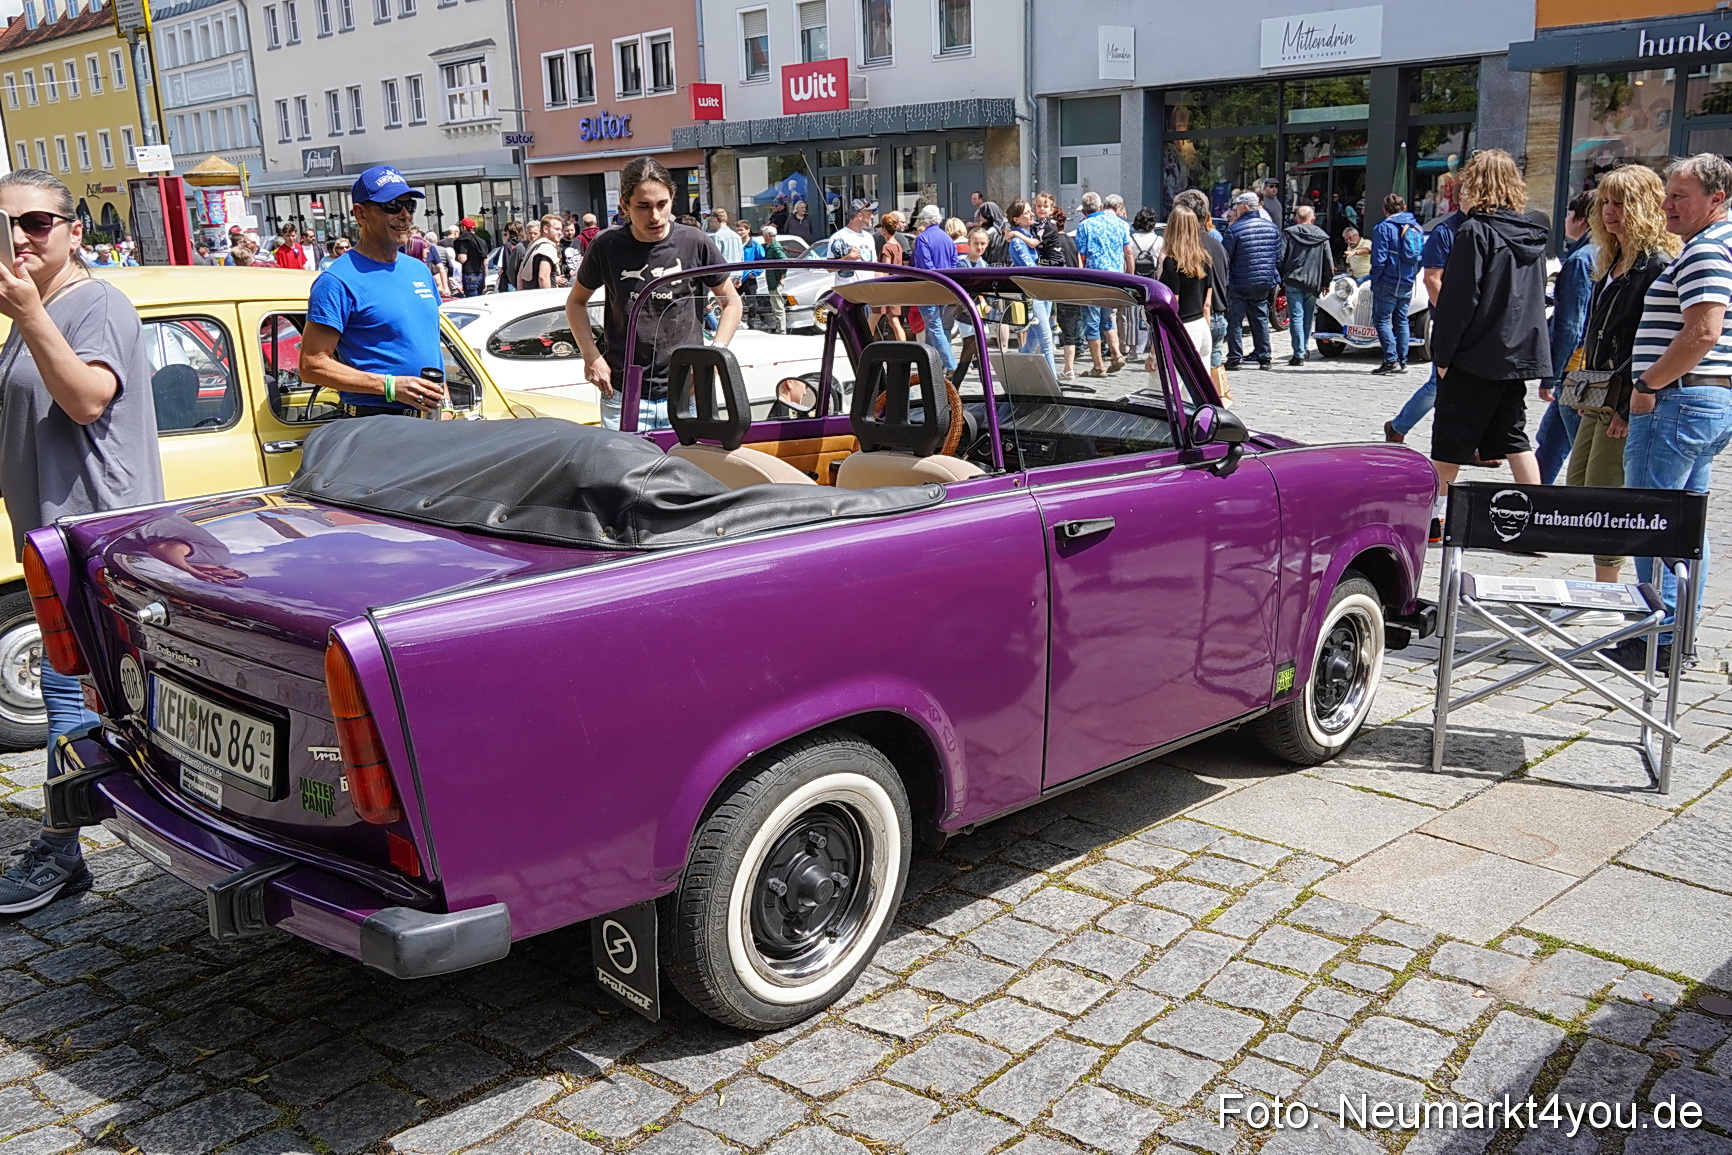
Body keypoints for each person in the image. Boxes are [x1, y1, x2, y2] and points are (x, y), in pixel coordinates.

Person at [0, 169, 163, 912]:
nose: (20, 238)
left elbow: (87, 397)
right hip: (49, 541)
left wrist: (31, 312)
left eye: (35, 222)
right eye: (5, 226)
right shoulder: (31, 309)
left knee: (72, 699)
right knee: (103, 701)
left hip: (94, 539)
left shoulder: (93, 302)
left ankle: (61, 851)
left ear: (72, 230)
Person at [1611, 153, 1732, 670]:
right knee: (1685, 524)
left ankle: (1658, 636)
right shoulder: (1714, 246)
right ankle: (1675, 635)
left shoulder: (1707, 251)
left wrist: (1646, 384)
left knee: (1655, 519)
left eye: (1680, 195)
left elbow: (1702, 333)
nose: (1668, 204)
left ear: (1716, 198)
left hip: (1677, 401)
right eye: (1668, 193)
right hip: (1700, 400)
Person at [568, 156, 741, 431]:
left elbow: (731, 301)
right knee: (625, 474)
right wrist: (591, 356)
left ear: (673, 198)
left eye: (662, 204)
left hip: (689, 392)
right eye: (643, 207)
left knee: (690, 474)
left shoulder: (694, 241)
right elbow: (576, 302)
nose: (655, 216)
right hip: (624, 393)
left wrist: (714, 356)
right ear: (624, 206)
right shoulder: (606, 245)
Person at [1428, 149, 1551, 533]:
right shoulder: (1534, 232)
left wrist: (1443, 353)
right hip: (1517, 353)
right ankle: (1537, 521)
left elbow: (1460, 300)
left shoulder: (1474, 231)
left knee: (1448, 444)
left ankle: (1434, 522)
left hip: (1474, 354)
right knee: (1516, 439)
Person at [1564, 166, 1677, 585]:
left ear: (1645, 206)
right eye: (1605, 203)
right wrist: (1583, 385)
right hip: (1599, 393)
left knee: (1605, 495)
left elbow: (1649, 341)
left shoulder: (1656, 266)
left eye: (1621, 203)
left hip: (1626, 399)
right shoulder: (1612, 257)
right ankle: (1596, 585)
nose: (1609, 212)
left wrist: (1627, 408)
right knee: (1580, 488)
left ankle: (1606, 592)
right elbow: (1597, 332)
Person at [301, 165, 447, 419]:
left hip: (428, 422)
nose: (405, 215)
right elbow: (311, 364)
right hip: (376, 424)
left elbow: (429, 344)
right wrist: (390, 386)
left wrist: (446, 404)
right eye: (392, 205)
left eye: (409, 206)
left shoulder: (419, 270)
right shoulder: (337, 280)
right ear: (361, 214)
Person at [1534, 192, 1597, 483]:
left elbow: (1570, 326)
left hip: (1575, 371)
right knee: (1550, 442)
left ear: (1579, 218)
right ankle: (1532, 502)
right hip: (1582, 368)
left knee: (1581, 448)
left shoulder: (1580, 260)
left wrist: (1552, 375)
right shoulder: (1600, 253)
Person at [1175, 189, 1233, 403]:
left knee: (1188, 386)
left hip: (1194, 318)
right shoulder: (1216, 243)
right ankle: (1218, 410)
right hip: (1216, 315)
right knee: (1212, 373)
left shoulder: (1186, 249)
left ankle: (1209, 414)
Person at [1073, 190, 1134, 377]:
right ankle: (1116, 354)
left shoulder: (1084, 226)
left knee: (1091, 321)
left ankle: (1098, 366)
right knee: (1108, 318)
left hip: (1093, 279)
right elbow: (1128, 252)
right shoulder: (1120, 224)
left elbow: (1080, 256)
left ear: (1084, 210)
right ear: (1100, 207)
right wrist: (1130, 277)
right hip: (1115, 279)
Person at [1221, 191, 1281, 371]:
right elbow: (1278, 257)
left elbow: (1226, 257)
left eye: (1237, 206)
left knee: (1235, 320)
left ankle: (1234, 357)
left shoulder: (1235, 229)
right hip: (1263, 282)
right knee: (1260, 318)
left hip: (1240, 282)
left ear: (1245, 207)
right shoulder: (1271, 228)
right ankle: (1264, 357)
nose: (1235, 209)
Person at [1369, 193, 1423, 374]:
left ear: (1385, 210)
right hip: (1407, 281)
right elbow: (1419, 258)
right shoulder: (1416, 227)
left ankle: (1390, 360)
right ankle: (1403, 360)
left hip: (1387, 280)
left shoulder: (1383, 228)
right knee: (1402, 321)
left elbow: (1379, 258)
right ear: (1404, 207)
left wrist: (1374, 279)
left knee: (1382, 320)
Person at [1157, 204, 1213, 364]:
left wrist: (1154, 353)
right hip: (1201, 326)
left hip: (1183, 328)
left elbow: (1170, 307)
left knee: (1175, 386)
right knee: (1200, 386)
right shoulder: (1205, 259)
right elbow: (1207, 304)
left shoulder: (1172, 262)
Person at [1280, 205, 1332, 366]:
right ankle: (1304, 348)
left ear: (1297, 217)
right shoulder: (1322, 236)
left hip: (1293, 280)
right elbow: (1328, 262)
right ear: (1313, 218)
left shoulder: (1288, 233)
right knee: (1308, 318)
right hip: (1312, 282)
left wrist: (1283, 275)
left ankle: (1298, 353)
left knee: (1296, 316)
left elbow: (1280, 257)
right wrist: (1326, 281)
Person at [1006, 199, 1055, 371]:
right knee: (1046, 340)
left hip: (1042, 292)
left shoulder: (1029, 236)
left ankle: (1015, 373)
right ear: (1016, 219)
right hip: (1032, 294)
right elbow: (1030, 268)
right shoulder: (1018, 242)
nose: (1031, 214)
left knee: (1032, 342)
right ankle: (1054, 384)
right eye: (1026, 212)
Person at [911, 204, 959, 376]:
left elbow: (924, 266)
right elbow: (954, 263)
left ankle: (950, 364)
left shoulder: (923, 238)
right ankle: (934, 366)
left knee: (934, 327)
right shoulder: (947, 238)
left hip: (929, 288)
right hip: (946, 288)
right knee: (940, 328)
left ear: (924, 219)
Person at [870, 211, 907, 340]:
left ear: (884, 230)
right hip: (895, 287)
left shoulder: (887, 247)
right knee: (894, 320)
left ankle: (861, 346)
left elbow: (886, 269)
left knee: (872, 319)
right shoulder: (898, 246)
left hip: (886, 289)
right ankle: (905, 347)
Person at [823, 199, 878, 283]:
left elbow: (875, 265)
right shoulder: (837, 237)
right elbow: (829, 268)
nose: (872, 216)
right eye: (869, 213)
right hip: (847, 293)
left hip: (869, 291)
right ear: (859, 216)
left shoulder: (869, 237)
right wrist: (848, 258)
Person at [521, 215, 564, 290]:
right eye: (557, 229)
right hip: (543, 298)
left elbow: (520, 276)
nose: (560, 233)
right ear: (545, 229)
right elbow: (543, 277)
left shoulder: (533, 246)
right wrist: (547, 299)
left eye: (560, 230)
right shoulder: (547, 248)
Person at [760, 223, 789, 334]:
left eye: (763, 234)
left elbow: (784, 261)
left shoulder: (775, 247)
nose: (763, 236)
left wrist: (782, 277)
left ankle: (781, 330)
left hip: (776, 281)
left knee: (778, 305)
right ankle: (779, 328)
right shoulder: (770, 247)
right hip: (773, 280)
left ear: (768, 235)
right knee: (775, 304)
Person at [453, 218, 488, 299]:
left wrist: (457, 256)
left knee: (472, 302)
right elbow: (486, 262)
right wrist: (485, 279)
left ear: (464, 228)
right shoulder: (482, 241)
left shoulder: (464, 239)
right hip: (481, 274)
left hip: (469, 274)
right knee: (479, 301)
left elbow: (463, 258)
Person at [499, 221, 526, 292]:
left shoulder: (508, 245)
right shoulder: (524, 244)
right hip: (523, 279)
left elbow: (508, 266)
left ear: (508, 233)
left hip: (510, 282)